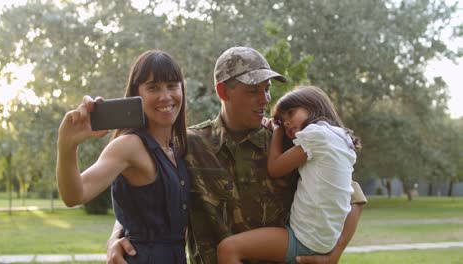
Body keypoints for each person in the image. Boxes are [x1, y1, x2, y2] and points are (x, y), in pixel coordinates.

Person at [107, 47, 367, 264]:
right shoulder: (189, 145)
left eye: (267, 90)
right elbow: (144, 197)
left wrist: (335, 252)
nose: (265, 99)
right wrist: (117, 236)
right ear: (223, 92)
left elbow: (350, 194)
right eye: (253, 91)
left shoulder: (288, 142)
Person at [56, 50, 189, 263]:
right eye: (153, 87)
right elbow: (74, 195)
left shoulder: (179, 147)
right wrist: (67, 146)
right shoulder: (129, 145)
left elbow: (141, 209)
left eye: (172, 85)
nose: (165, 96)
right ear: (137, 94)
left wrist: (116, 233)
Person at [217, 85, 361, 263]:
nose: (286, 123)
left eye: (291, 113)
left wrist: (277, 131)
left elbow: (275, 168)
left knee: (228, 249)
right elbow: (355, 199)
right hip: (325, 240)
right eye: (281, 121)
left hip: (306, 239)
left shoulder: (316, 135)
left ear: (313, 106)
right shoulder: (341, 139)